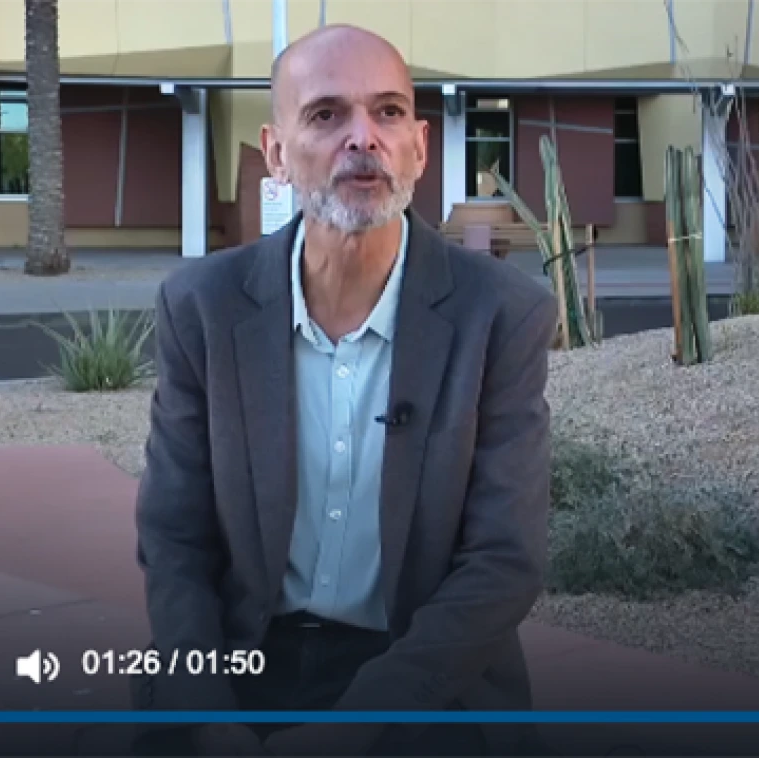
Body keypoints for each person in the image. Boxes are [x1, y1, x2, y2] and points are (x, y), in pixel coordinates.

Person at [128, 22, 559, 758]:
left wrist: (359, 724)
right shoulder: (203, 307)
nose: (364, 137)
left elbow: (504, 562)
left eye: (388, 112)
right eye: (327, 115)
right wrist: (207, 715)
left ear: (419, 146)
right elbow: (174, 537)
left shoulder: (502, 314)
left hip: (423, 677)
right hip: (243, 658)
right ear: (275, 153)